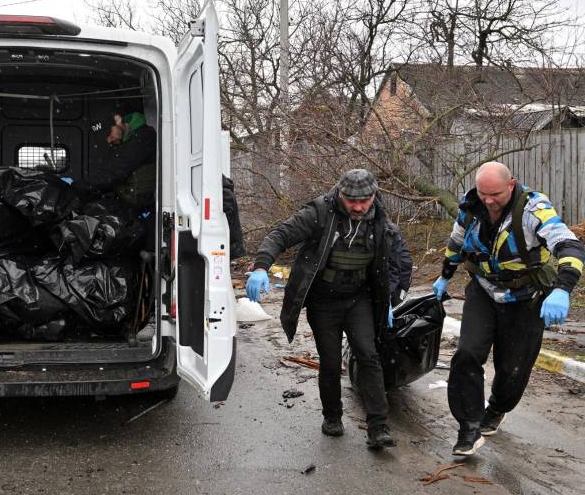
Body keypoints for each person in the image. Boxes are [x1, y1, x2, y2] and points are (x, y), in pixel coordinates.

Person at [433, 161, 585, 457]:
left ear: (511, 185)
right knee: (467, 354)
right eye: (483, 193)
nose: (488, 201)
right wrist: (445, 275)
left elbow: (570, 246)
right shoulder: (470, 206)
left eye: (495, 195)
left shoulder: (534, 210)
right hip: (484, 291)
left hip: (525, 298)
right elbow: (456, 242)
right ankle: (468, 427)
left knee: (513, 368)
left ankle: (497, 409)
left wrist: (562, 289)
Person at [246, 169, 399, 449]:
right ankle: (332, 416)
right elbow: (281, 234)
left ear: (373, 196)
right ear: (340, 193)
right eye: (351, 200)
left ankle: (378, 426)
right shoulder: (319, 212)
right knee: (329, 361)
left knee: (368, 355)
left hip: (359, 298)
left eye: (364, 201)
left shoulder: (379, 218)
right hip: (323, 300)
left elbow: (394, 259)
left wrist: (390, 297)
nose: (357, 207)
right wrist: (260, 267)